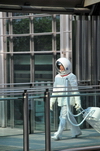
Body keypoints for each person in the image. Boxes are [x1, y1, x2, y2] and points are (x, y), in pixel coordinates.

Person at [50, 57, 82, 140]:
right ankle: (77, 131)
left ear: (66, 66)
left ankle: (59, 134)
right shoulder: (57, 77)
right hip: (61, 99)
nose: (60, 68)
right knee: (68, 116)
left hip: (68, 100)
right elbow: (55, 89)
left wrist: (78, 101)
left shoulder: (72, 76)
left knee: (63, 116)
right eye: (59, 66)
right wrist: (52, 101)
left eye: (62, 66)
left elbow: (75, 90)